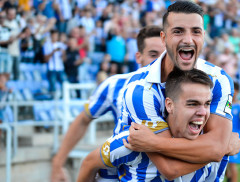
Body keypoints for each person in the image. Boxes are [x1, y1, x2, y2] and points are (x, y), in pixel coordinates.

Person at [117, 1, 239, 180]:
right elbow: (170, 168)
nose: (188, 39)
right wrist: (221, 148)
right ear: (164, 38)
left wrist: (154, 143)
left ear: (204, 36)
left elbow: (216, 147)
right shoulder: (140, 89)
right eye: (178, 31)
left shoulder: (219, 80)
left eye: (196, 31)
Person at [51, 25, 165, 182]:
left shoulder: (182, 89)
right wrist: (58, 163)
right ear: (138, 57)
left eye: (165, 55)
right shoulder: (115, 84)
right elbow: (83, 120)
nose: (160, 61)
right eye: (153, 55)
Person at [77, 68, 217, 181]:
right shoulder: (133, 140)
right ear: (169, 105)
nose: (203, 112)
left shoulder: (211, 144)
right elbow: (89, 163)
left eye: (207, 104)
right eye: (192, 104)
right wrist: (219, 150)